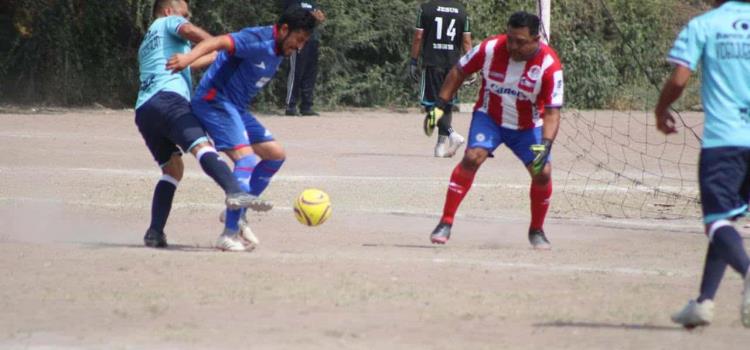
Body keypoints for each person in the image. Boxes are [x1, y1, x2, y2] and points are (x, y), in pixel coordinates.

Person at [166, 7, 318, 252]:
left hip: (236, 108)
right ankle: (228, 234)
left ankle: (236, 214)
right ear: (285, 29)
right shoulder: (258, 39)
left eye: (304, 42)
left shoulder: (281, 47)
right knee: (245, 160)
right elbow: (218, 42)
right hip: (214, 102)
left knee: (275, 155)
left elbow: (221, 58)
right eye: (298, 40)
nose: (299, 47)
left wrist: (312, 18)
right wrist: (187, 59)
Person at [428, 11, 564, 250]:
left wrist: (546, 145)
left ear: (536, 39)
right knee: (471, 157)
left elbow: (552, 112)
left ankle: (537, 230)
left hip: (528, 127)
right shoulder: (490, 48)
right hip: (489, 118)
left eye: (520, 42)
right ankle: (445, 222)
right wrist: (439, 106)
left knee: (543, 172)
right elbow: (459, 71)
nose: (512, 45)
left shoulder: (549, 66)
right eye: (510, 38)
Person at [135, 0, 262, 249]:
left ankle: (154, 232)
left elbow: (193, 61)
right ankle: (233, 190)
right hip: (169, 100)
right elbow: (191, 32)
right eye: (185, 13)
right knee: (202, 146)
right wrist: (221, 43)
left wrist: (215, 54)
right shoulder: (168, 21)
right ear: (169, 11)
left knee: (172, 170)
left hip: (144, 110)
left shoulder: (148, 44)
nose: (188, 16)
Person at [655, 0, 750, 329]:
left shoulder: (705, 24)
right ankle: (703, 303)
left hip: (725, 141)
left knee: (715, 221)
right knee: (726, 221)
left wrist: (661, 109)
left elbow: (680, 79)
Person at [410, 0, 473, 157]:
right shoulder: (462, 11)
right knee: (447, 105)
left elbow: (418, 37)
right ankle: (440, 147)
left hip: (432, 63)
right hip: (454, 66)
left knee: (431, 105)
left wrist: (413, 61)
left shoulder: (426, 9)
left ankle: (452, 134)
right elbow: (466, 42)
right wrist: (471, 66)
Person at [282, 0, 326, 116]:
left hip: (312, 38)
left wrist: (319, 17)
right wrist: (306, 15)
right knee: (296, 71)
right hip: (298, 38)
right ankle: (290, 106)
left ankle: (307, 106)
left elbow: (316, 17)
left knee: (310, 72)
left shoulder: (312, 2)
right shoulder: (292, 2)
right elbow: (288, 15)